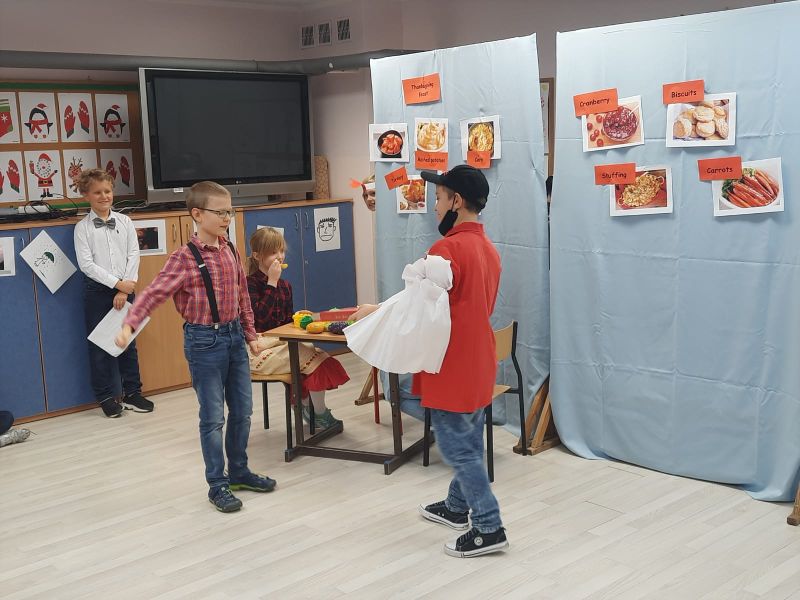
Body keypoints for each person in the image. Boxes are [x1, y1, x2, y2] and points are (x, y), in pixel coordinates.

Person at [352, 165, 507, 558]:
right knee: (468, 437)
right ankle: (456, 507)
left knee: (458, 447)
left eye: (438, 198)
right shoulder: (489, 249)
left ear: (457, 201)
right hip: (479, 359)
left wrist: (374, 311)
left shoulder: (446, 251)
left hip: (452, 363)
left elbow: (415, 308)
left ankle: (488, 526)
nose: (435, 207)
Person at [116, 181, 276, 513]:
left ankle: (239, 472)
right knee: (213, 418)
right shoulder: (183, 258)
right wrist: (130, 324)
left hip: (234, 338)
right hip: (204, 342)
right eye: (220, 212)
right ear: (197, 214)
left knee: (243, 412)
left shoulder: (231, 249)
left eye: (229, 212)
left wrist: (250, 335)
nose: (227, 218)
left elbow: (242, 297)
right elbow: (155, 293)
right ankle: (217, 485)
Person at [246, 226, 349, 429]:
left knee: (317, 355)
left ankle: (309, 408)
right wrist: (271, 282)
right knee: (314, 360)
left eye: (281, 251)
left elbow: (284, 322)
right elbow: (261, 319)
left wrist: (299, 318)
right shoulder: (249, 284)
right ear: (257, 256)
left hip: (281, 343)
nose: (280, 256)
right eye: (273, 252)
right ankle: (315, 412)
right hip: (257, 348)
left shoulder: (286, 286)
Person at [73, 169, 153, 418]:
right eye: (97, 192)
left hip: (126, 287)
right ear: (86, 195)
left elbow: (133, 254)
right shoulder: (82, 228)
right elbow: (86, 265)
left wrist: (125, 286)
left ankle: (132, 392)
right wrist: (116, 284)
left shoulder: (125, 222)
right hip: (97, 292)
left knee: (127, 342)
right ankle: (105, 396)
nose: (104, 196)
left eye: (107, 191)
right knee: (99, 346)